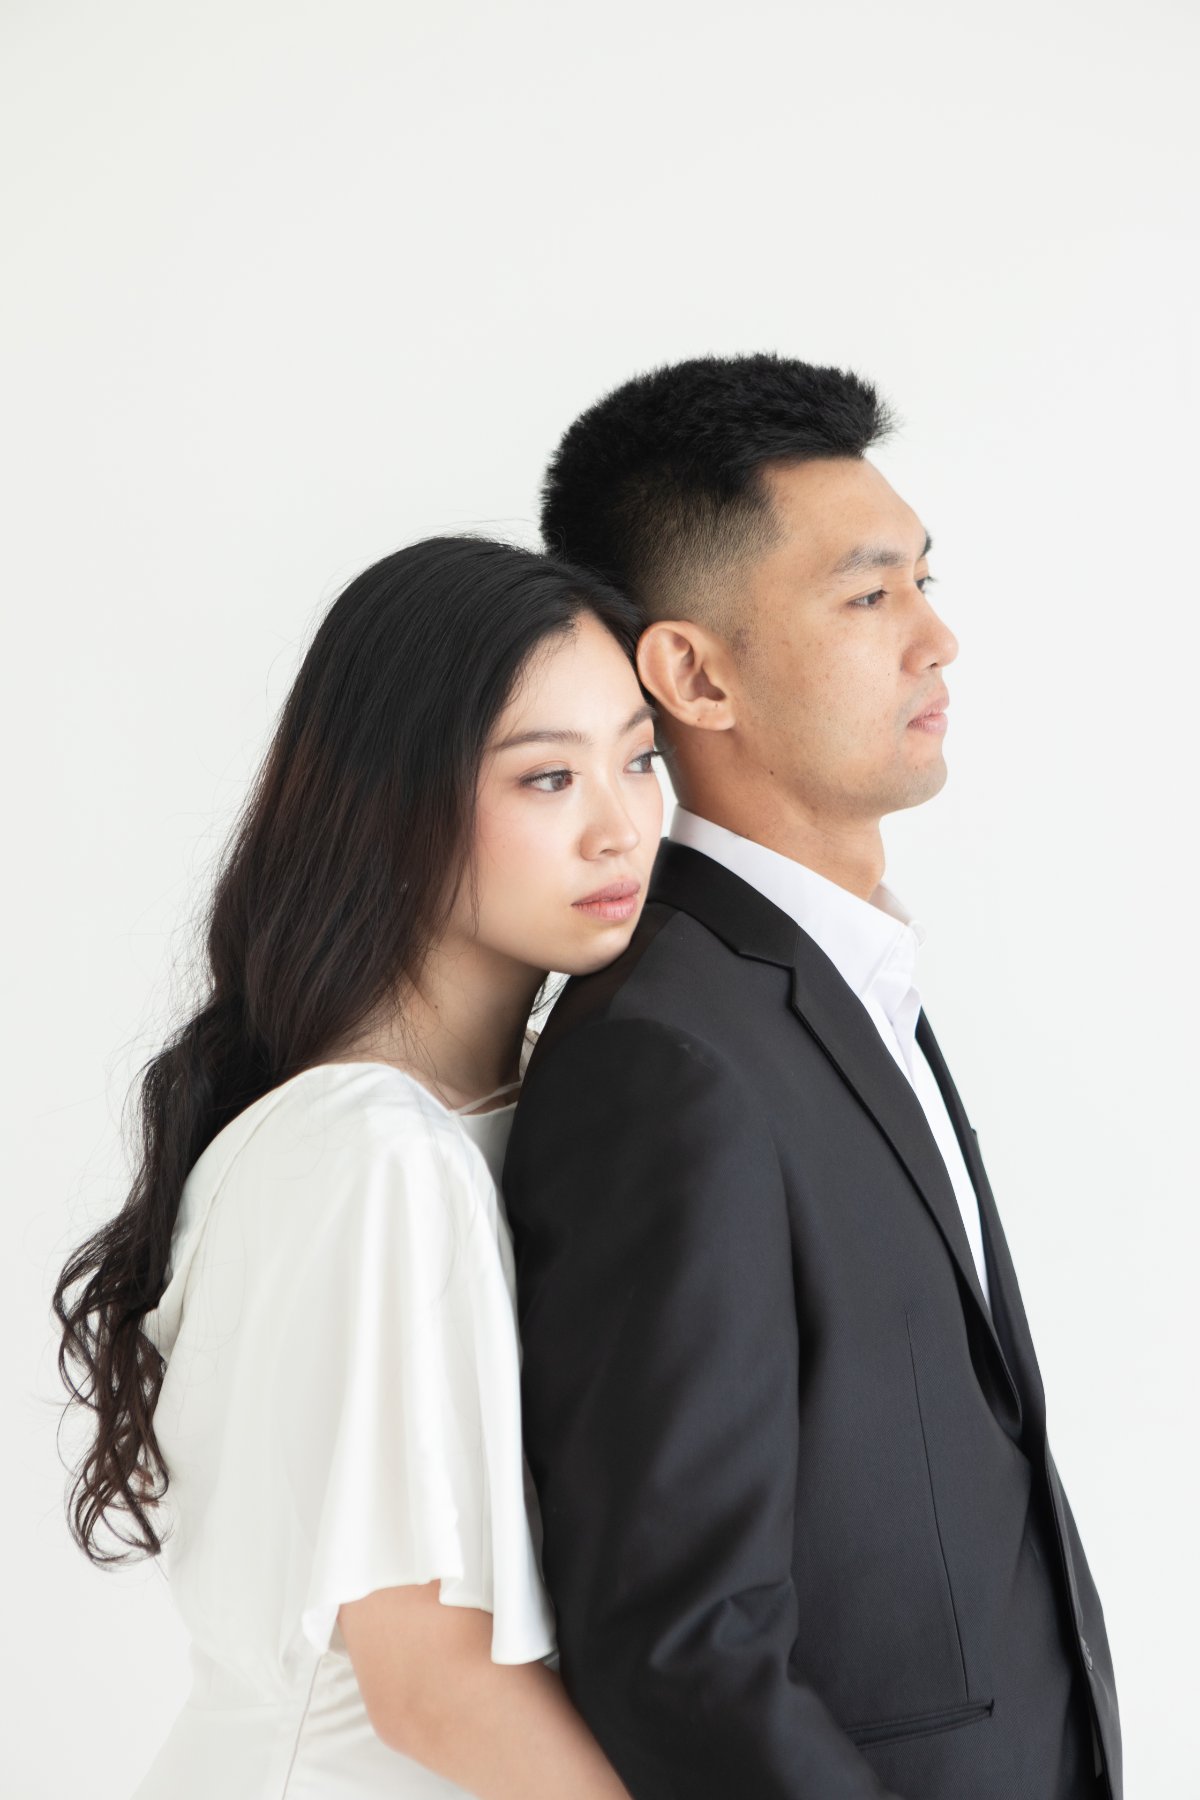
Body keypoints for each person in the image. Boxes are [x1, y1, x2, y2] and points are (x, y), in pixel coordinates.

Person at [503, 353, 1122, 1800]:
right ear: (694, 675)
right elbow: (683, 1649)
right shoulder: (664, 1059)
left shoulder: (838, 981)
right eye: (869, 596)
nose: (938, 639)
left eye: (924, 580)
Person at [52, 536, 663, 1799]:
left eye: (641, 759)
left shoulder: (482, 1123)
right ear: (395, 803)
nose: (621, 827)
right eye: (549, 778)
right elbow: (433, 1687)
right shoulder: (379, 1155)